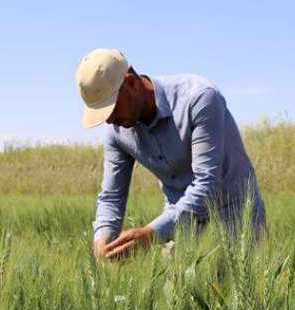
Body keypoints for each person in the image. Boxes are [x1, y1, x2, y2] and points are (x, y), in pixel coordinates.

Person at [75, 48, 266, 261]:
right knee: (175, 290)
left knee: (237, 291)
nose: (109, 119)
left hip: (236, 216)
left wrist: (151, 234)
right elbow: (112, 196)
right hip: (176, 224)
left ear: (130, 82)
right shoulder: (117, 132)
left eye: (111, 108)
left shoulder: (199, 97)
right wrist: (103, 240)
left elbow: (207, 182)